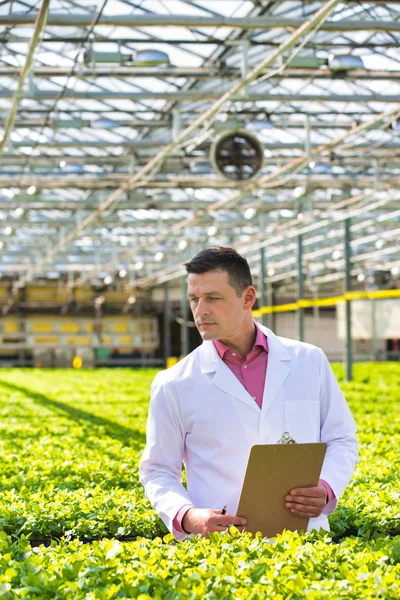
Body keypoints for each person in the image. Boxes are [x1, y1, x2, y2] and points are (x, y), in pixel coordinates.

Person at [139, 247, 359, 540]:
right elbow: (158, 470)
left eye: (213, 298)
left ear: (248, 298)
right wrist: (187, 515)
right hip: (221, 551)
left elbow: (341, 439)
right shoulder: (174, 383)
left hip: (305, 541)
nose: (200, 310)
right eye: (194, 299)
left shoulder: (309, 361)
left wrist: (327, 486)